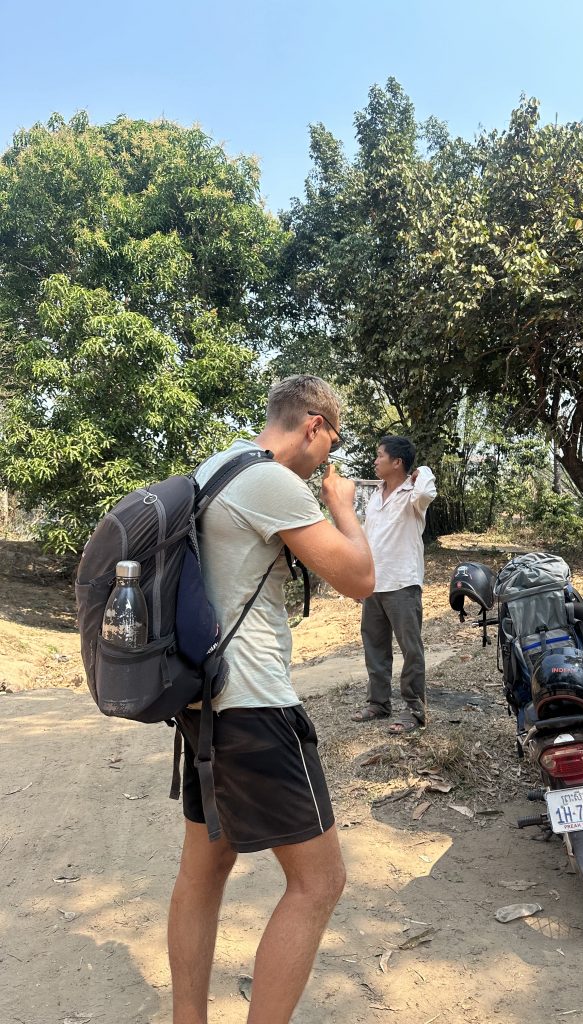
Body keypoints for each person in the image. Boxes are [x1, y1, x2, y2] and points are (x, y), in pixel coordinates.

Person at [168, 375, 374, 1024]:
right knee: (320, 881)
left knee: (204, 870)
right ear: (314, 425)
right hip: (255, 707)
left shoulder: (217, 466)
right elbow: (359, 578)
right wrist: (342, 506)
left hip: (206, 708)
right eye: (332, 442)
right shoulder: (271, 482)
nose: (327, 458)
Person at [352, 435, 437, 735]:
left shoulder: (413, 495)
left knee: (410, 649)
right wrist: (360, 579)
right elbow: (367, 538)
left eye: (380, 455)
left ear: (397, 462)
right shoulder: (376, 495)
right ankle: (378, 703)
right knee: (374, 647)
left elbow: (427, 490)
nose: (375, 460)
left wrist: (422, 470)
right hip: (375, 583)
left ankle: (415, 709)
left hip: (402, 583)